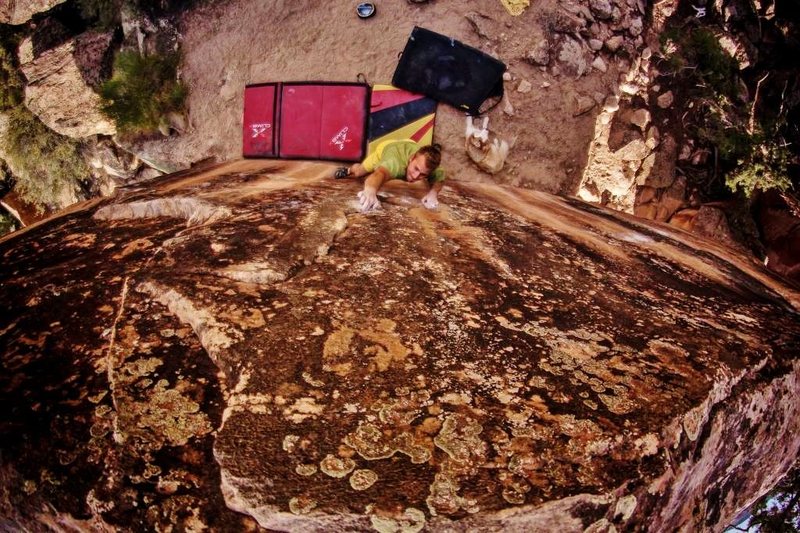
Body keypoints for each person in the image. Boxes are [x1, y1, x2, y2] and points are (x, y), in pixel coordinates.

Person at [335, 140, 445, 212]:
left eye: (423, 175)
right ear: (411, 159)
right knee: (359, 173)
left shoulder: (432, 168)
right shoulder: (395, 163)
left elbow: (439, 178)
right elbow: (379, 174)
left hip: (409, 143)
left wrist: (433, 193)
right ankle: (349, 169)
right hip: (386, 147)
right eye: (416, 168)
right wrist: (370, 190)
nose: (416, 176)